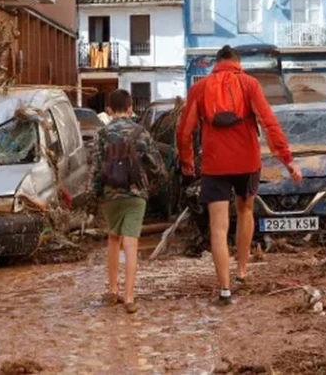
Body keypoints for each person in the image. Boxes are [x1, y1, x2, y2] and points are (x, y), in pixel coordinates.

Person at [176, 45, 303, 306]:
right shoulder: (249, 84)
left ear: (216, 62)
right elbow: (269, 122)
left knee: (218, 228)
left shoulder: (199, 89)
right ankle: (242, 269)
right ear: (237, 62)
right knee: (245, 211)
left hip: (215, 165)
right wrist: (287, 160)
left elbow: (184, 132)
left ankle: (224, 289)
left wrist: (187, 164)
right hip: (247, 162)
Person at [93, 89, 166, 314]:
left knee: (113, 240)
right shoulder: (140, 132)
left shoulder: (103, 134)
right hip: (135, 195)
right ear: (130, 107)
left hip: (110, 195)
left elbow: (96, 167)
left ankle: (113, 290)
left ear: (109, 110)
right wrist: (154, 185)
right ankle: (129, 296)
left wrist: (97, 193)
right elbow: (156, 165)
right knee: (131, 242)